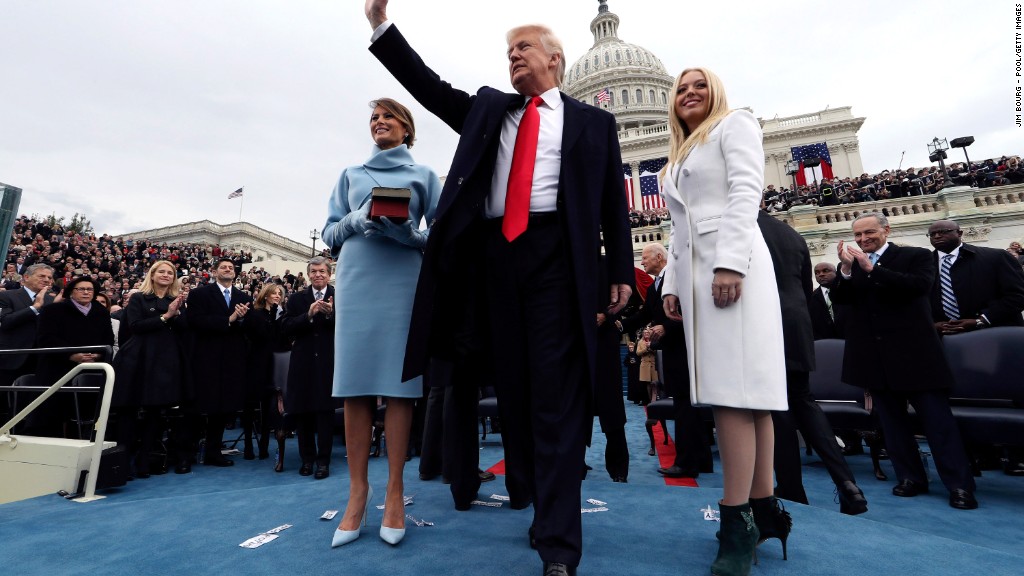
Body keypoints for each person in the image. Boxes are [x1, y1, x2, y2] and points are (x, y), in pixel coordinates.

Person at [364, 3, 633, 572]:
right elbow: (427, 87)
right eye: (508, 51)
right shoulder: (491, 109)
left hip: (558, 260)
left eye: (524, 48)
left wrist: (619, 272)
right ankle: (536, 502)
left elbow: (613, 202)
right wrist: (381, 27)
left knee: (557, 401)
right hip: (492, 263)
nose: (513, 57)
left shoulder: (594, 123)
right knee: (515, 396)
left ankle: (560, 544)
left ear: (556, 61)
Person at [660, 67, 788, 576]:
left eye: (700, 85)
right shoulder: (680, 153)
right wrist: (671, 284)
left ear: (716, 93)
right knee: (748, 395)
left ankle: (736, 520)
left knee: (734, 393)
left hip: (731, 266)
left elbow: (745, 192)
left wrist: (731, 262)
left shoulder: (734, 124)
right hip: (697, 274)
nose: (690, 93)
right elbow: (677, 228)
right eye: (681, 88)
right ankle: (765, 507)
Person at [322, 96, 441, 548]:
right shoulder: (350, 175)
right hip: (355, 279)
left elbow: (444, 236)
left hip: (402, 282)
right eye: (374, 117)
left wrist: (410, 234)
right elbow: (330, 233)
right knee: (353, 385)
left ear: (406, 127)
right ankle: (357, 492)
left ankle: (394, 490)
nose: (379, 122)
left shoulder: (425, 175)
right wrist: (355, 219)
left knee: (398, 387)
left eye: (388, 116)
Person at [830, 213, 978, 510]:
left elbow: (918, 287)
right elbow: (844, 301)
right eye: (857, 235)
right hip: (875, 358)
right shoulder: (851, 265)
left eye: (868, 233)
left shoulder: (916, 255)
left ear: (886, 229)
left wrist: (871, 269)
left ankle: (959, 485)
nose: (862, 240)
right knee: (893, 426)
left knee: (938, 424)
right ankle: (911, 477)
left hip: (917, 356)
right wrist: (846, 271)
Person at [757, 211, 867, 516]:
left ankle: (792, 489)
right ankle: (848, 483)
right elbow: (806, 290)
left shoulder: (737, 224)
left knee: (775, 410)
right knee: (805, 402)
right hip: (796, 325)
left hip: (762, 325)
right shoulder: (791, 234)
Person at [927, 219, 1024, 475]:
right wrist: (933, 324)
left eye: (943, 231)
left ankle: (1015, 455)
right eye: (932, 233)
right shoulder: (924, 265)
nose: (937, 236)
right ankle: (981, 455)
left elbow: (1017, 295)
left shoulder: (994, 257)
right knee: (961, 397)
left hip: (993, 337)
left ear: (959, 233)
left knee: (1005, 396)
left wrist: (981, 320)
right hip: (948, 343)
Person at [618, 242, 712, 479]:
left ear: (660, 257)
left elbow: (692, 312)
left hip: (685, 351)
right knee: (687, 407)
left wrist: (666, 327)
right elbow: (645, 315)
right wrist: (619, 325)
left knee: (686, 407)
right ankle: (701, 460)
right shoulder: (655, 287)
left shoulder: (678, 279)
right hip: (671, 352)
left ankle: (687, 463)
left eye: (646, 258)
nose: (642, 263)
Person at [111, 260, 190, 478]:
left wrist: (179, 313)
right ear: (152, 275)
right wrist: (166, 316)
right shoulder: (138, 298)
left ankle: (145, 461)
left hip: (165, 361)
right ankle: (123, 464)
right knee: (128, 412)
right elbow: (135, 327)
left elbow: (184, 330)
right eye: (161, 272)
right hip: (138, 359)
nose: (166, 275)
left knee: (156, 412)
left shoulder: (177, 301)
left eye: (170, 273)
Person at [185, 257, 252, 470]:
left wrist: (241, 320)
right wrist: (229, 320)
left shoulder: (243, 296)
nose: (228, 270)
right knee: (197, 408)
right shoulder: (199, 294)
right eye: (223, 267)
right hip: (205, 358)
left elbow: (247, 327)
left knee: (222, 409)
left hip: (232, 360)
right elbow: (196, 321)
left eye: (231, 268)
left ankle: (214, 452)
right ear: (214, 272)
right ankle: (187, 453)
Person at [34, 276, 116, 438]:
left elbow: (108, 339)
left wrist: (97, 354)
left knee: (87, 414)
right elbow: (46, 339)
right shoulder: (53, 310)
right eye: (81, 289)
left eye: (90, 289)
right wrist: (72, 355)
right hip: (57, 369)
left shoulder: (100, 312)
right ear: (71, 292)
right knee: (54, 415)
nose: (86, 292)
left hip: (92, 368)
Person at [280, 257, 337, 479]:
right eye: (313, 271)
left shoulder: (340, 296)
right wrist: (309, 314)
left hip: (328, 363)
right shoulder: (296, 299)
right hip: (302, 364)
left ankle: (323, 462)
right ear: (309, 274)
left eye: (322, 271)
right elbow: (285, 327)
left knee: (325, 414)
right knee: (303, 414)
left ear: (329, 273)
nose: (318, 275)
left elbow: (350, 326)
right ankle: (307, 460)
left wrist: (331, 313)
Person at [243, 282, 288, 462]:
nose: (277, 295)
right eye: (274, 293)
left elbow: (282, 339)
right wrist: (272, 315)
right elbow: (260, 335)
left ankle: (264, 445)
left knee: (269, 407)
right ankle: (247, 443)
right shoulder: (255, 315)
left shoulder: (282, 316)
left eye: (280, 293)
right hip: (256, 364)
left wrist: (277, 316)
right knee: (250, 405)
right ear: (265, 295)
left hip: (275, 365)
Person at [808, 262, 848, 340]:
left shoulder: (846, 292)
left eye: (826, 271)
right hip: (825, 344)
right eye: (817, 273)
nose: (821, 274)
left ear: (836, 272)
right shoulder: (811, 298)